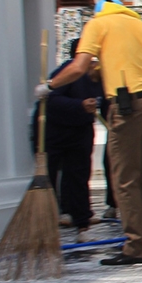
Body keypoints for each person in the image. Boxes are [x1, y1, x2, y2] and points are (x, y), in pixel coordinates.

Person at [37, 0, 142, 266]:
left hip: (126, 104)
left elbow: (79, 66)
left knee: (124, 178)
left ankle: (136, 246)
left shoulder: (99, 23)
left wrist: (50, 86)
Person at [44, 38, 104, 239]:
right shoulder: (66, 72)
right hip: (56, 130)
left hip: (82, 129)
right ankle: (51, 216)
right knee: (50, 175)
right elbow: (52, 99)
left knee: (78, 174)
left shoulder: (96, 74)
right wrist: (79, 105)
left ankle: (82, 220)